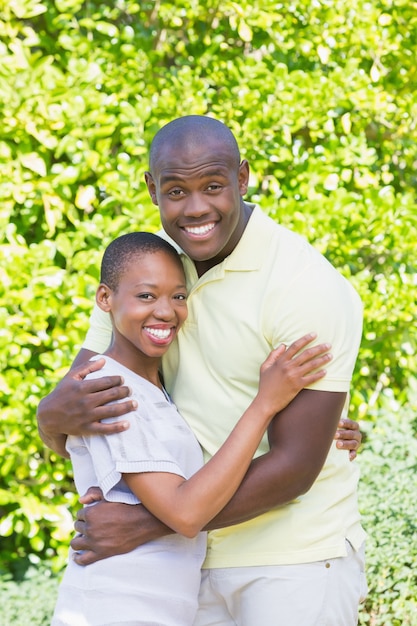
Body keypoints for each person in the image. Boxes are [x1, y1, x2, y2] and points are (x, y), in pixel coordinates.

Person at [38, 115, 366, 625]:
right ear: (152, 189)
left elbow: (297, 465)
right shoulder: (149, 273)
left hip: (292, 562)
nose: (196, 208)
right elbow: (78, 411)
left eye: (213, 186)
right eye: (176, 190)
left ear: (242, 178)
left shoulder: (304, 285)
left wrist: (151, 523)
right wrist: (47, 418)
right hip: (182, 574)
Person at [51, 231, 331, 626]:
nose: (166, 311)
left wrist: (320, 426)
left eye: (178, 296)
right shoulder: (110, 390)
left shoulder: (156, 387)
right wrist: (266, 403)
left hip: (158, 608)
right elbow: (185, 513)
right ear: (105, 299)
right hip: (117, 606)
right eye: (146, 296)